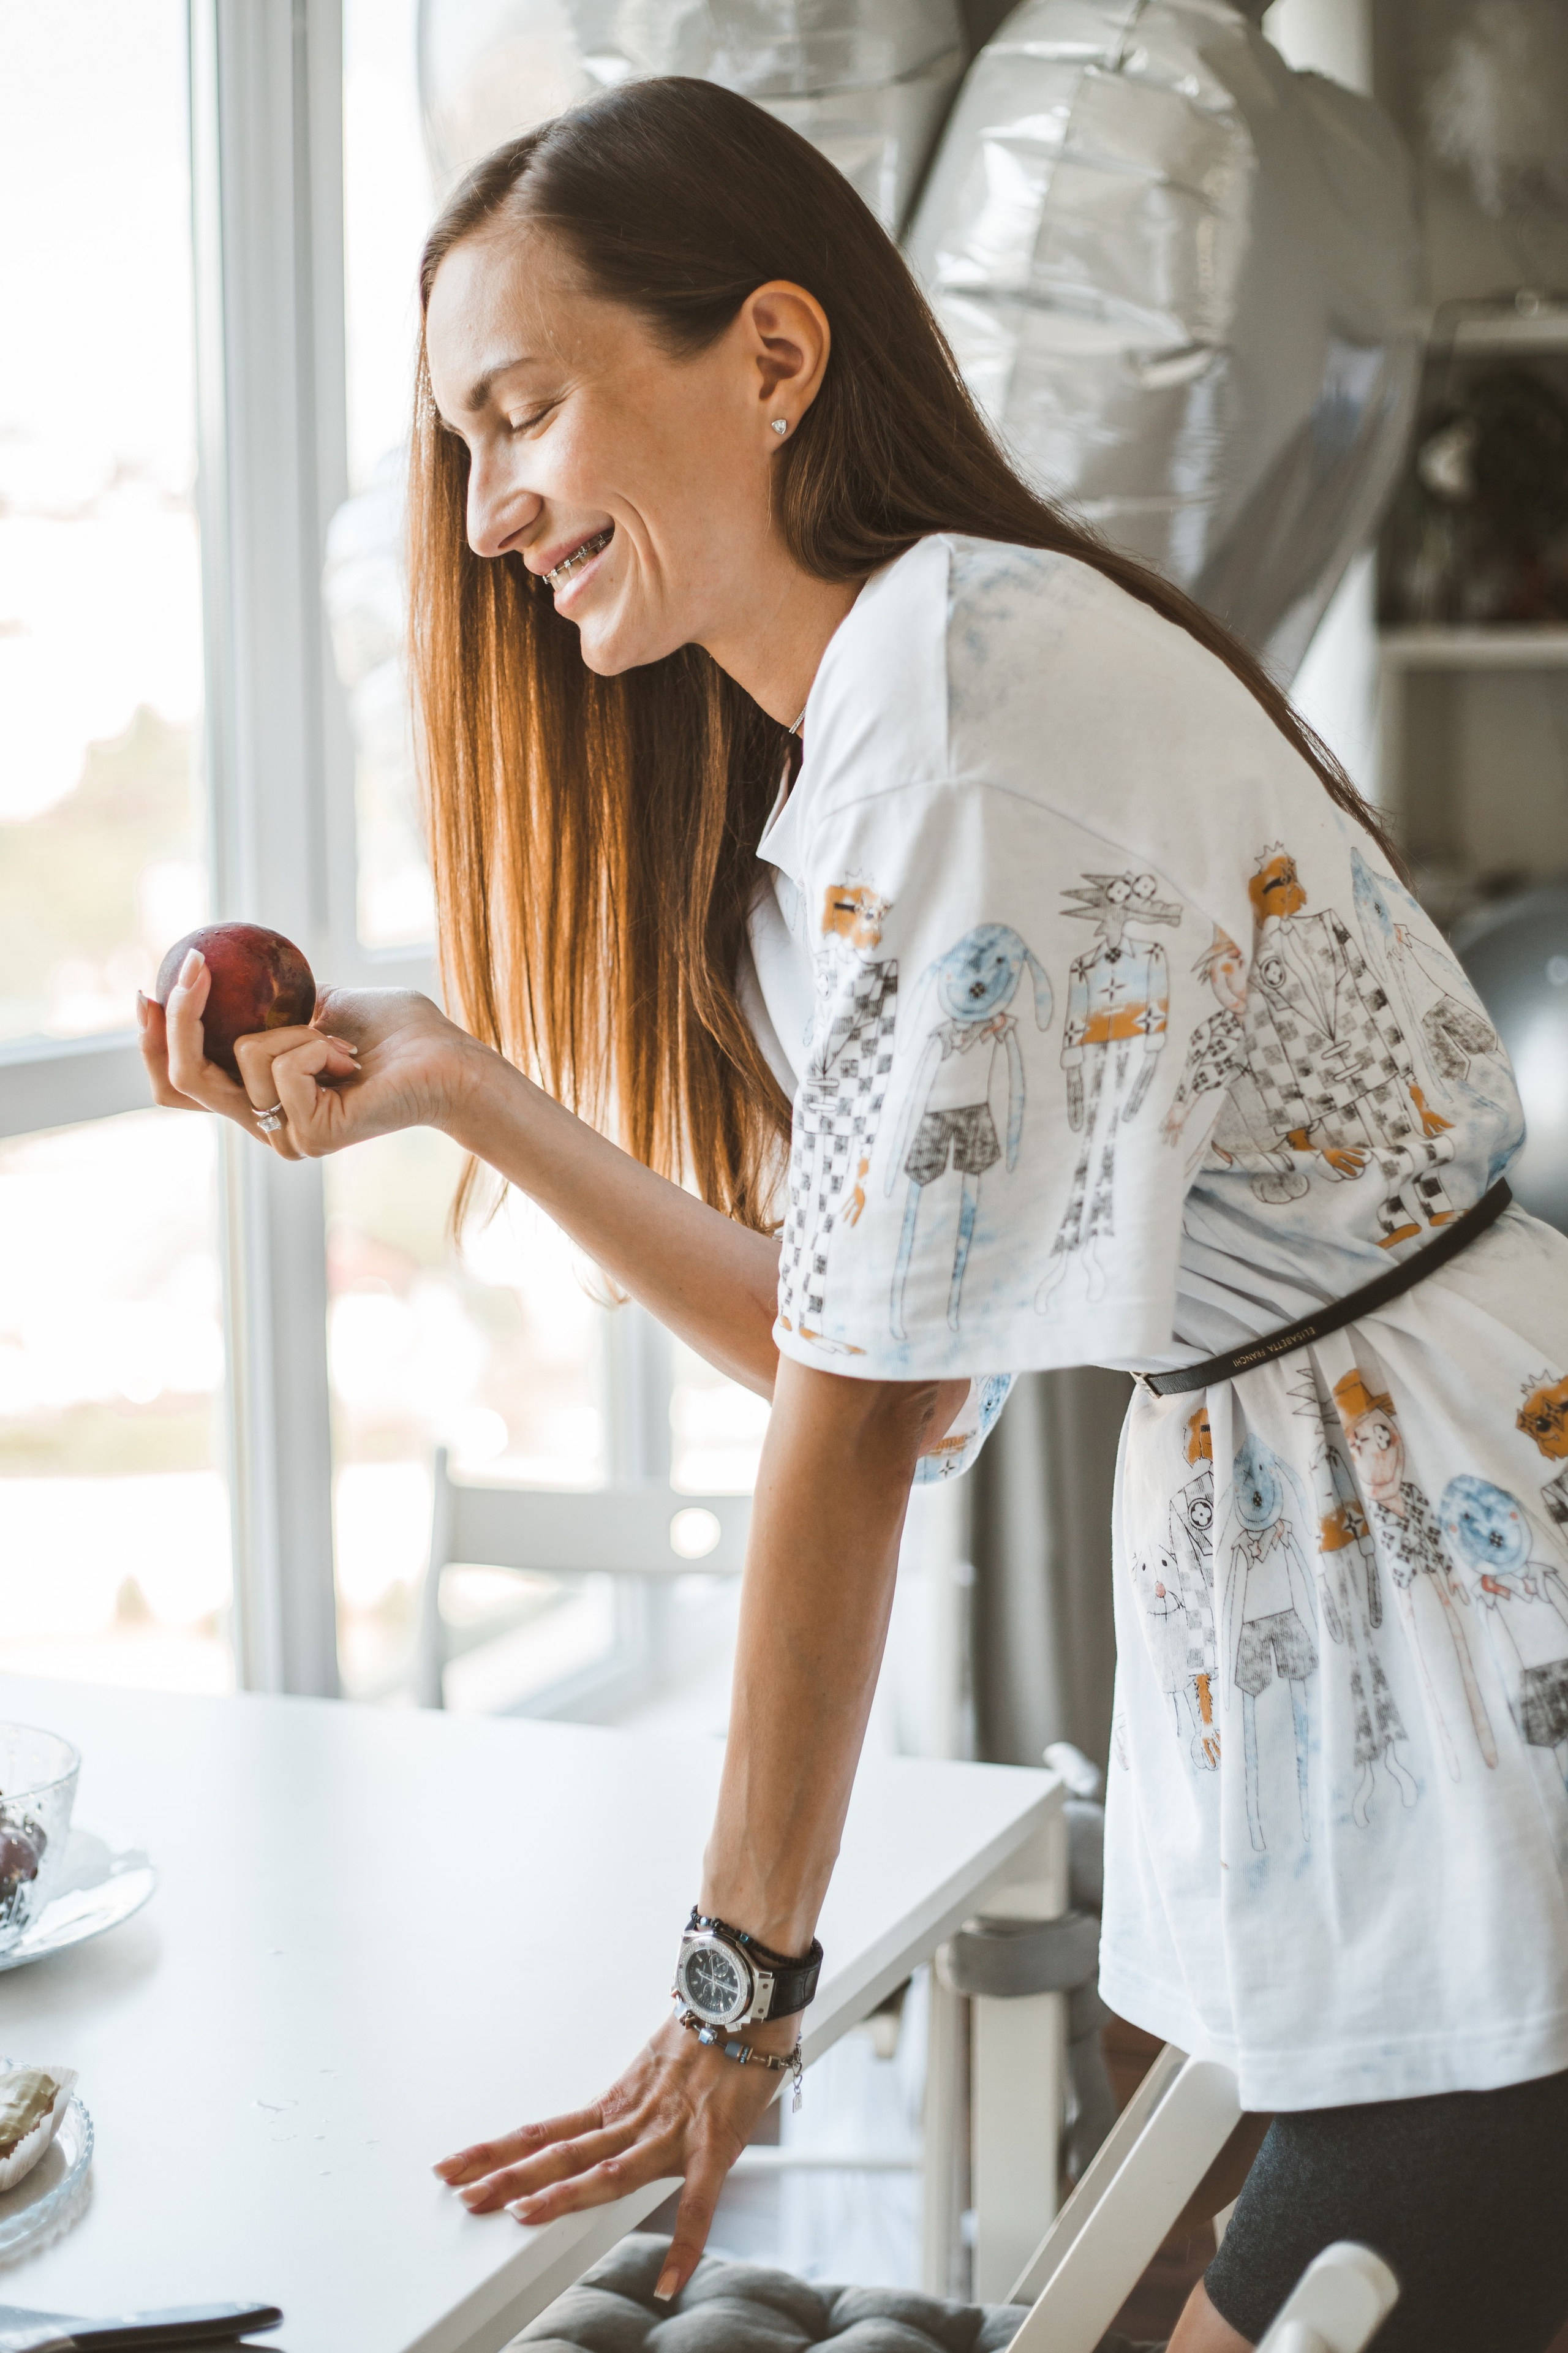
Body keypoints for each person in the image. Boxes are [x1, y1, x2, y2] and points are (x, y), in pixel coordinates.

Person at [139, 77, 1568, 2353]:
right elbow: (879, 1361)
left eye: (525, 414)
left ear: (776, 357)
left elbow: (859, 1414)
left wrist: (739, 1985)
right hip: (1384, 1621)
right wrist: (464, 1089)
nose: (492, 511)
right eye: (464, 447)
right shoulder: (869, 755)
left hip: (1475, 1655)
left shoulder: (949, 710)